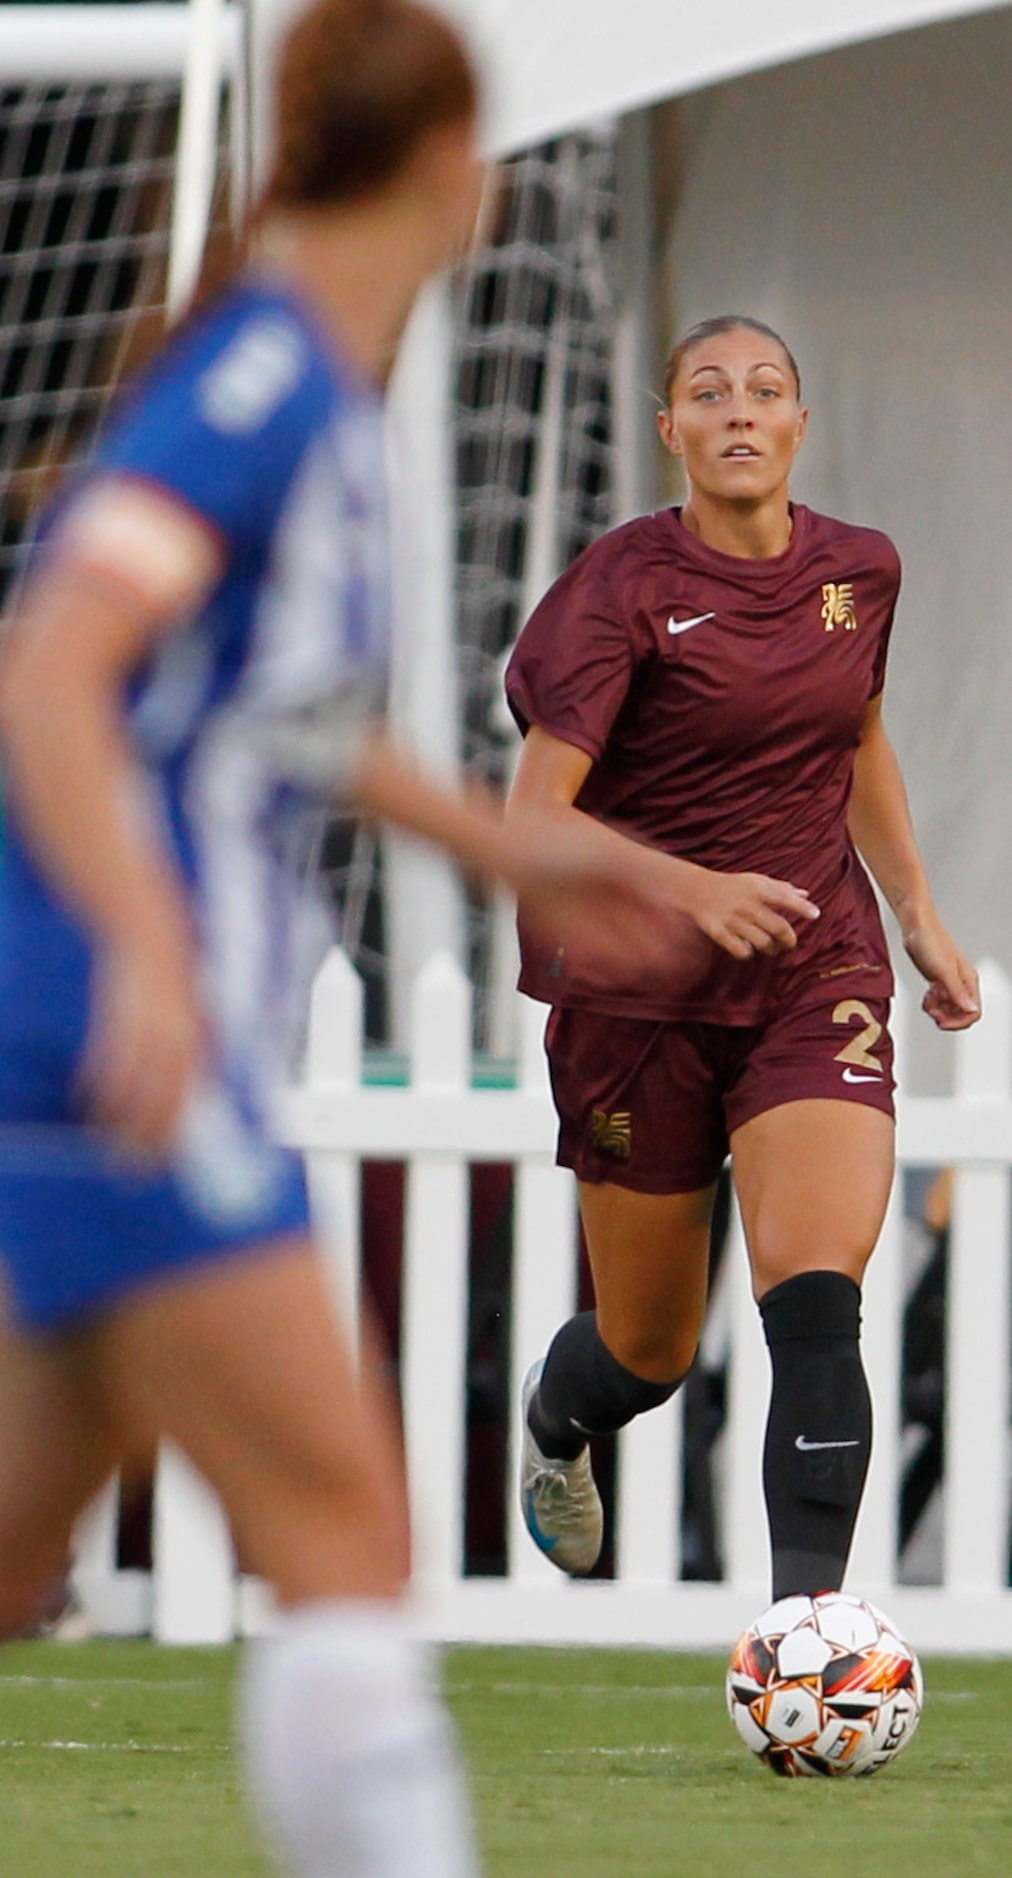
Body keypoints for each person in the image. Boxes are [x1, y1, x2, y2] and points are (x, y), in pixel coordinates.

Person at [0, 6, 719, 1876]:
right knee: (344, 1532)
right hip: (117, 1039)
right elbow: (55, 664)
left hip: (99, 1039)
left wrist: (524, 856)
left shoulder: (320, 384)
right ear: (447, 161)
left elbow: (295, 724)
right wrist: (146, 953)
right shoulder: (261, 388)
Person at [506, 313, 981, 1597]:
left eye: (764, 390)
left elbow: (859, 737)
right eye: (707, 393)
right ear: (670, 430)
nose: (737, 411)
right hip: (632, 992)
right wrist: (691, 893)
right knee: (648, 1351)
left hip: (812, 964)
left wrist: (918, 912)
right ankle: (561, 1424)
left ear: (798, 425)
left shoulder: (858, 573)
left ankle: (805, 1631)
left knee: (817, 1295)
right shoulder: (616, 592)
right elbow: (530, 822)